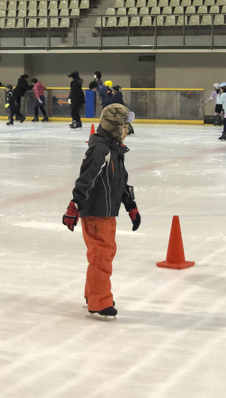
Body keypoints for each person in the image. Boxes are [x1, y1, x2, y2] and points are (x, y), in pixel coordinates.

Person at [62, 103, 140, 321]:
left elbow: (120, 181)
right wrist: (74, 206)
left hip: (107, 211)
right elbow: (87, 178)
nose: (128, 131)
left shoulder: (114, 148)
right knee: (101, 257)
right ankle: (99, 302)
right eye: (125, 127)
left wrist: (130, 205)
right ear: (116, 127)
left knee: (103, 254)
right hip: (96, 212)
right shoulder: (101, 150)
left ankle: (93, 294)